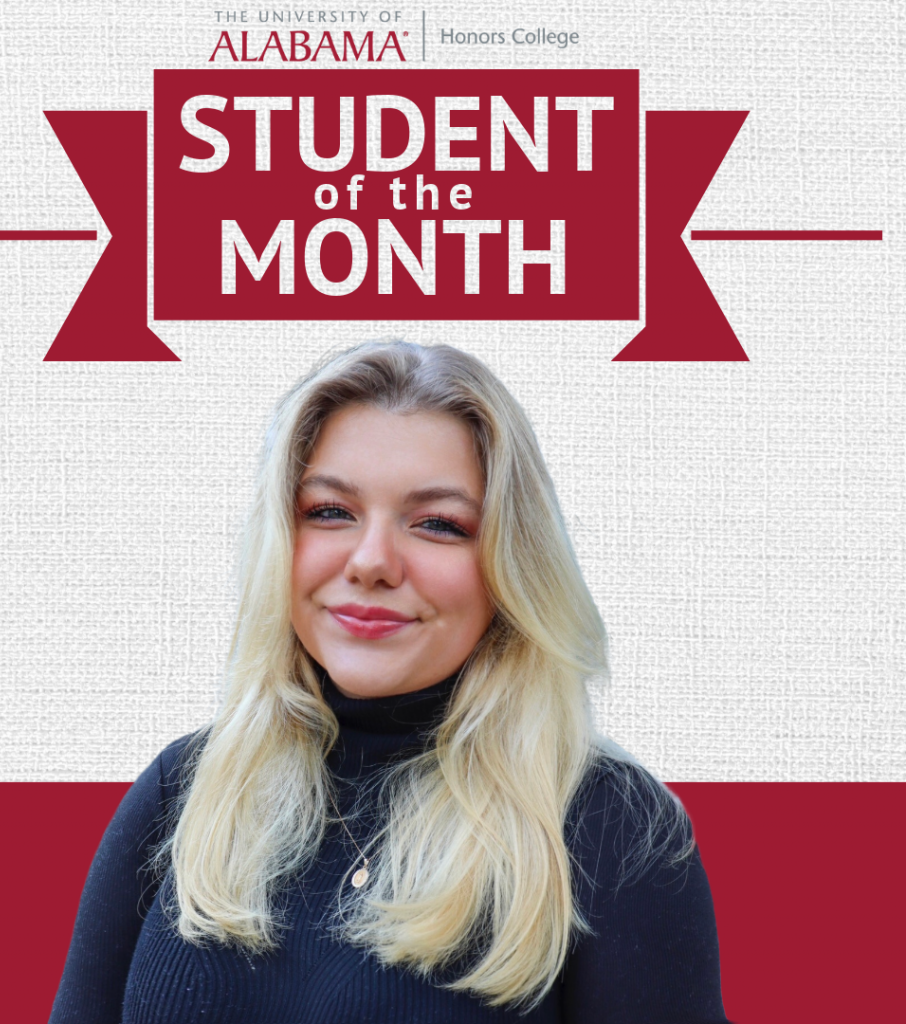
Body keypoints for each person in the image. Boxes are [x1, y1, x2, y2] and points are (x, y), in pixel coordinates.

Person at [49, 341, 730, 1023]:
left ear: (510, 565)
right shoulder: (186, 789)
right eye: (329, 512)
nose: (372, 560)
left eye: (437, 524)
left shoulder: (613, 832)